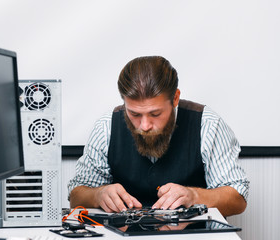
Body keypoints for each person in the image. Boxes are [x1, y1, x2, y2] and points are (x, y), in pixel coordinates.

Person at [68, 56, 249, 217]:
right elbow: (76, 196)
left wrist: (194, 196)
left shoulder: (208, 125)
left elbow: (237, 199)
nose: (145, 126)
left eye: (155, 114)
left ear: (175, 98)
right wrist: (97, 195)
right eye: (134, 114)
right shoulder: (106, 127)